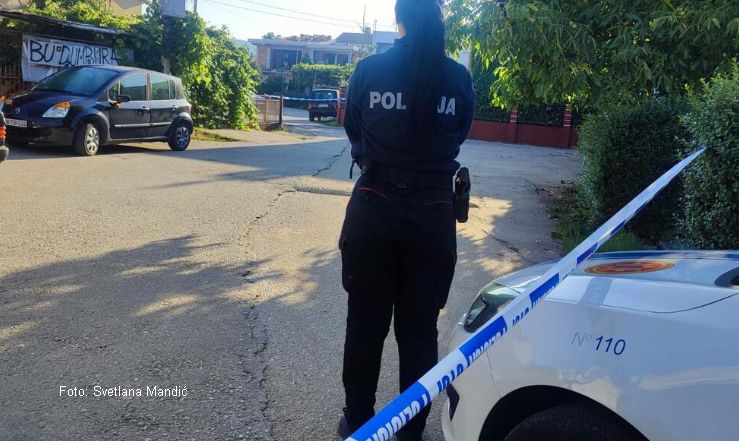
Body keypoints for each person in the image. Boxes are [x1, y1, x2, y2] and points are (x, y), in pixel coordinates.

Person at [337, 0, 475, 439]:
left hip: (373, 207)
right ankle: (410, 430)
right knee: (419, 332)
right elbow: (460, 131)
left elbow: (354, 127)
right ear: (437, 20)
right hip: (433, 213)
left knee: (365, 323)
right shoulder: (457, 78)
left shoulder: (369, 71)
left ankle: (358, 421)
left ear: (398, 21)